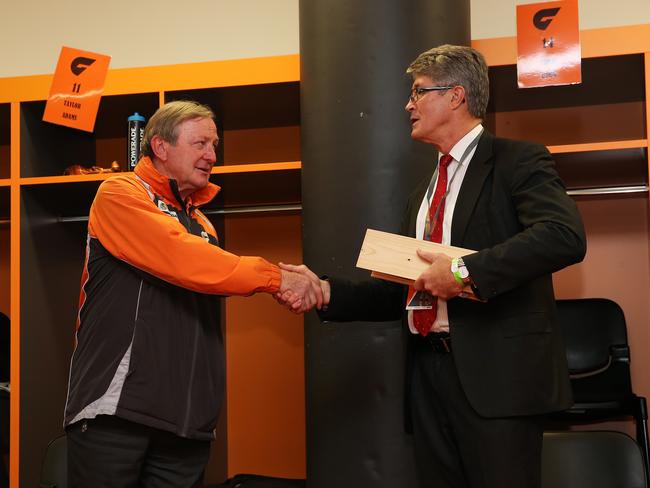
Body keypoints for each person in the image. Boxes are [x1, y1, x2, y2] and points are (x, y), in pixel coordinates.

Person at [279, 45, 586, 488]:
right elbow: (409, 288)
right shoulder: (422, 193)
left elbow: (564, 236)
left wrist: (462, 272)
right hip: (428, 375)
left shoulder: (518, 160)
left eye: (419, 92)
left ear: (457, 96)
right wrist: (326, 291)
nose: (408, 104)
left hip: (498, 381)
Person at [64, 100, 322, 487]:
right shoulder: (120, 194)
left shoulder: (202, 223)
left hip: (187, 424)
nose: (211, 155)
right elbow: (181, 258)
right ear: (160, 147)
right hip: (118, 413)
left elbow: (211, 276)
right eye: (200, 143)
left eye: (214, 145)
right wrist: (278, 279)